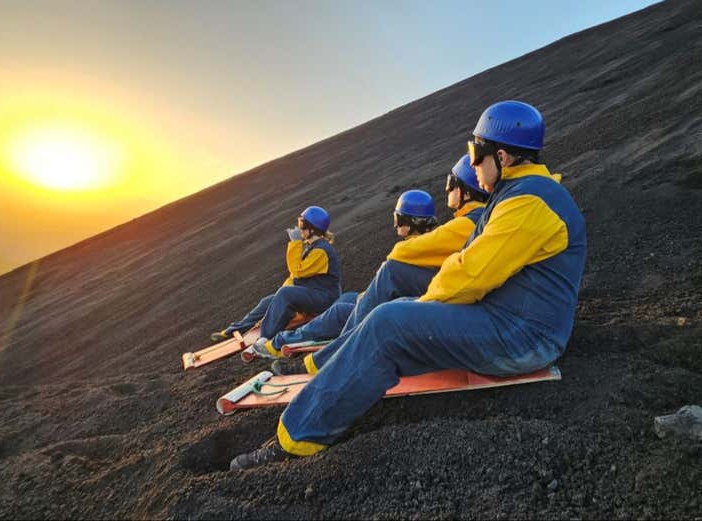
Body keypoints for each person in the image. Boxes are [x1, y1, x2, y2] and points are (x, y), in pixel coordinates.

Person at [230, 100, 587, 470]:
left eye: (475, 155)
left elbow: (471, 275)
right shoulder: (522, 195)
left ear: (502, 157)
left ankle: (295, 440)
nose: (473, 165)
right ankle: (329, 373)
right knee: (392, 316)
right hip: (512, 320)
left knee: (390, 323)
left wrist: (420, 307)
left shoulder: (529, 203)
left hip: (524, 337)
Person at [271, 156, 488, 375]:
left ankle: (319, 355)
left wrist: (294, 245)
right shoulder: (468, 221)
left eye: (451, 184)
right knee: (349, 300)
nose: (448, 190)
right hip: (444, 290)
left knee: (366, 290)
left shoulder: (468, 222)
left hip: (445, 296)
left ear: (465, 191)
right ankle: (328, 345)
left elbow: (399, 255)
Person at [267, 189, 441, 357]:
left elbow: (297, 271)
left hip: (395, 310)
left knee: (338, 312)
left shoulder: (405, 251)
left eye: (398, 218)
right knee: (347, 299)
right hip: (406, 303)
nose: (395, 223)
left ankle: (279, 343)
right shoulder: (436, 242)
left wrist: (295, 244)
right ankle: (315, 331)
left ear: (409, 222)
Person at [245, 206, 342, 358]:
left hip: (325, 298)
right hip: (315, 293)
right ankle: (271, 330)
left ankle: (265, 339)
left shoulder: (321, 251)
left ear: (313, 229)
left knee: (285, 294)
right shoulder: (312, 247)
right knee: (274, 298)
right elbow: (296, 276)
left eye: (302, 224)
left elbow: (297, 271)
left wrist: (295, 243)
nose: (299, 228)